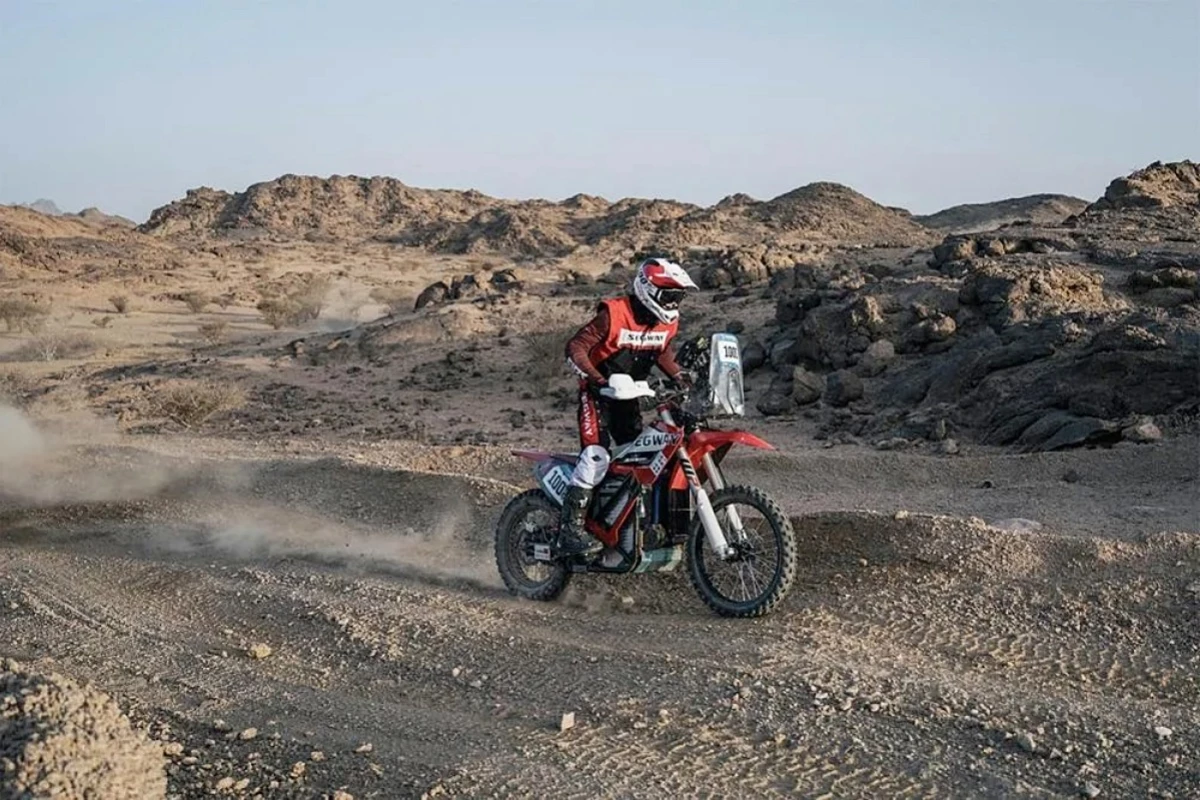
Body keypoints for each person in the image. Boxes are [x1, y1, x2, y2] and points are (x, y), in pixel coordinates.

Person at [557, 257, 698, 556]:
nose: (674, 303)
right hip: (598, 397)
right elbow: (576, 347)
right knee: (596, 457)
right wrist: (596, 379)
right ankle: (570, 532)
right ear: (648, 289)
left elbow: (661, 353)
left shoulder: (665, 323)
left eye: (678, 297)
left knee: (639, 459)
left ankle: (627, 528)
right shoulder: (613, 314)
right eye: (669, 295)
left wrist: (681, 377)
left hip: (630, 397)